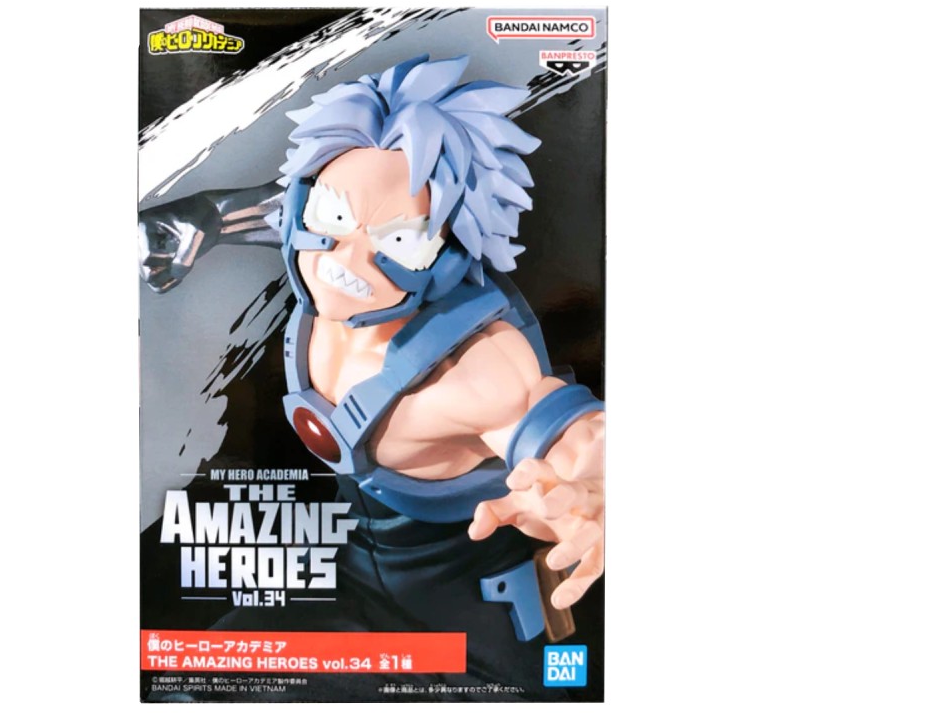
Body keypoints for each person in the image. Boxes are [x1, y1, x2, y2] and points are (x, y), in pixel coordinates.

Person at [140, 55, 604, 698]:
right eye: (331, 218)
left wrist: (596, 490)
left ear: (448, 258)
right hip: (351, 586)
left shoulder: (475, 369)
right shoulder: (317, 238)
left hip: (472, 639)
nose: (346, 261)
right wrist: (210, 215)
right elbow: (315, 215)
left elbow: (574, 434)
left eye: (401, 242)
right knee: (187, 683)